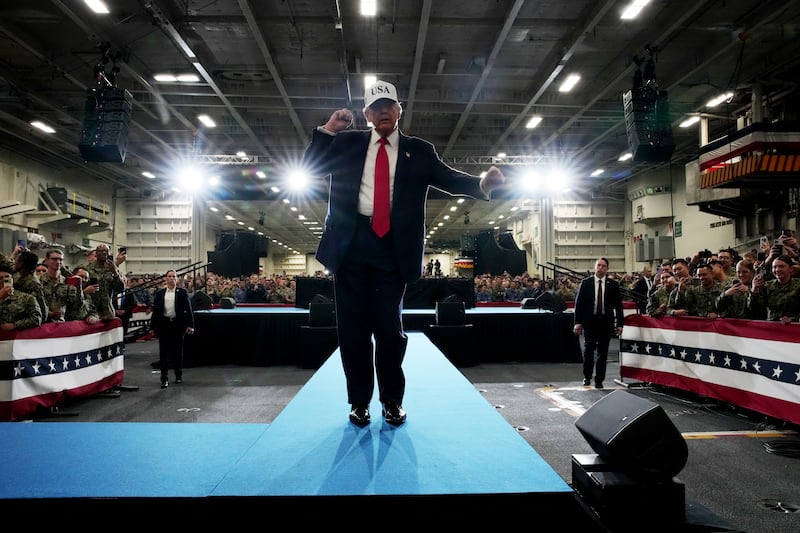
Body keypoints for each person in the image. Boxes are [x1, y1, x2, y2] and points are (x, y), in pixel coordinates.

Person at [302, 79, 506, 427]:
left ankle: (392, 401)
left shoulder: (419, 150)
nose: (383, 111)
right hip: (350, 248)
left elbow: (448, 177)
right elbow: (311, 166)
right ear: (366, 114)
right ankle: (359, 403)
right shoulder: (348, 142)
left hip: (392, 251)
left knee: (389, 331)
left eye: (389, 106)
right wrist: (327, 130)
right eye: (376, 107)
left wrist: (481, 185)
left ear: (399, 110)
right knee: (352, 331)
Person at [572, 257, 624, 389]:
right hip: (590, 322)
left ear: (607, 268)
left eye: (603, 266)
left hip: (606, 322)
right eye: (598, 265)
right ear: (595, 267)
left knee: (603, 351)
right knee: (588, 350)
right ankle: (587, 376)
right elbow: (579, 305)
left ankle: (599, 379)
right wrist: (577, 322)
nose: (600, 268)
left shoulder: (613, 285)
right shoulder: (586, 283)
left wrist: (620, 324)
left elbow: (618, 306)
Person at [149, 270, 194, 388]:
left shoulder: (182, 293)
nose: (171, 278)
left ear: (177, 279)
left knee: (178, 352)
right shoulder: (160, 294)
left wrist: (190, 325)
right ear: (165, 279)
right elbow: (156, 311)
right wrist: (152, 327)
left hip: (177, 325)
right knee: (163, 353)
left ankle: (178, 375)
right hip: (164, 325)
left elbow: (188, 310)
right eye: (169, 276)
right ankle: (164, 378)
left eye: (174, 276)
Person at [0, 266, 42, 331]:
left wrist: (15, 325)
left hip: (17, 337)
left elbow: (37, 318)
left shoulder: (27, 298)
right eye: (0, 278)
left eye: (7, 278)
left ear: (12, 280)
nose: (3, 280)